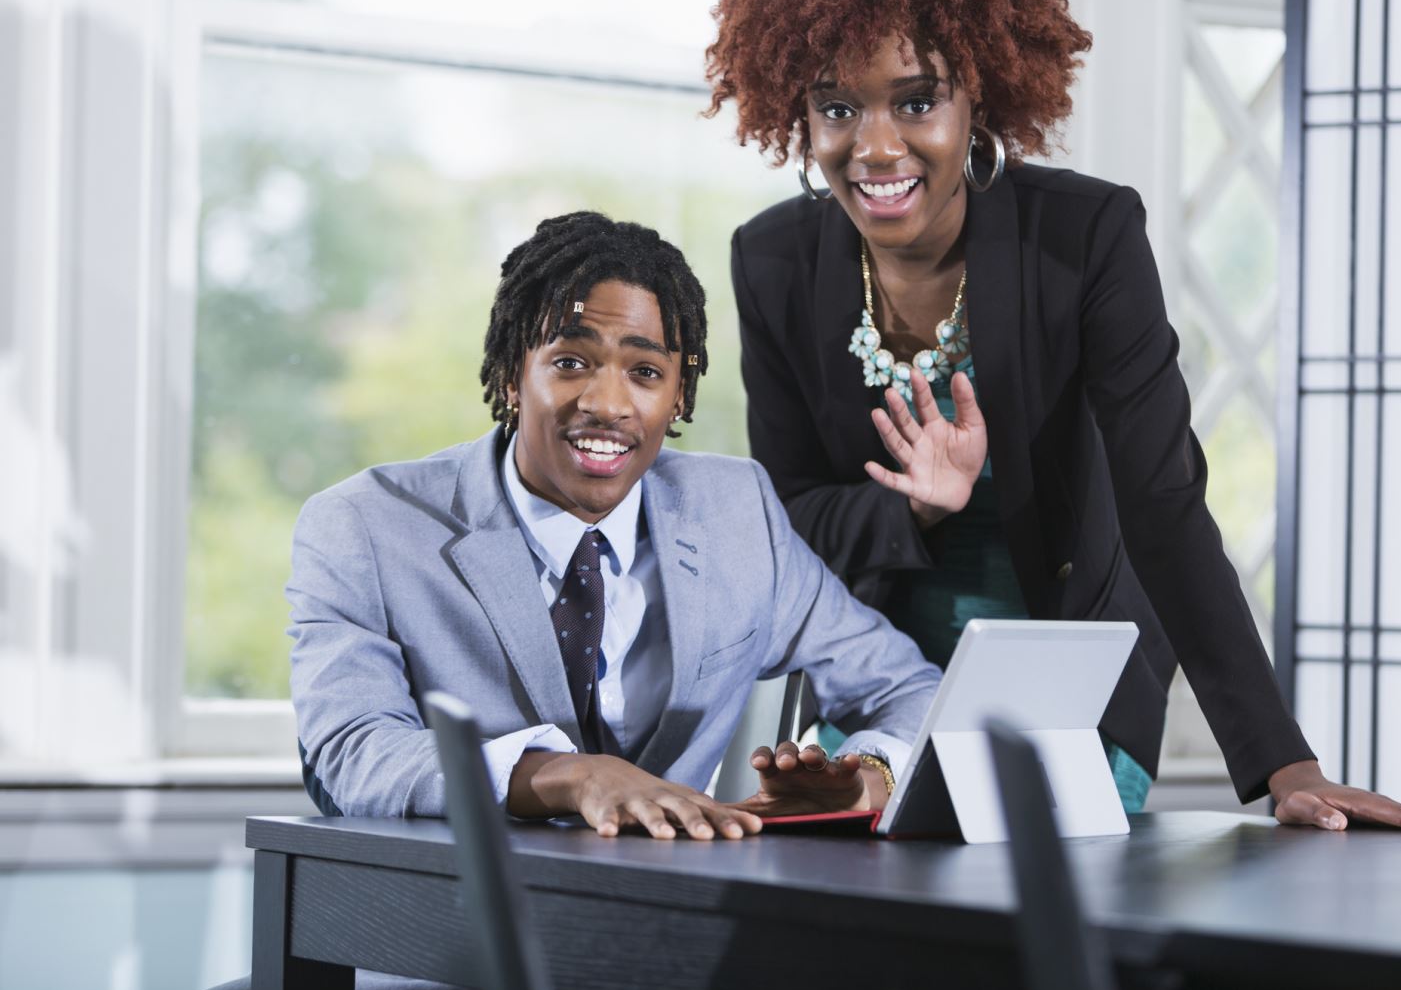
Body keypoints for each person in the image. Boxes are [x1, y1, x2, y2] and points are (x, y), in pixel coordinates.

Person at [705, 0, 1401, 831]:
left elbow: (1164, 501)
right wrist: (914, 510)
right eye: (836, 107)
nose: (875, 147)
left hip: (1073, 675)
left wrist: (1282, 763)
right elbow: (789, 517)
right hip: (878, 683)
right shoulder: (774, 261)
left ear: (976, 91)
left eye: (915, 100)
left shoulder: (1085, 238)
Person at [289, 210, 940, 838]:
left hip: (672, 918)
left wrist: (870, 779)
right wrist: (570, 776)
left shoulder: (737, 513)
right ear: (515, 373)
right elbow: (351, 751)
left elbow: (911, 691)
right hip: (458, 925)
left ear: (679, 394)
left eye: (646, 372)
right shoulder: (364, 528)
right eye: (570, 362)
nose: (607, 404)